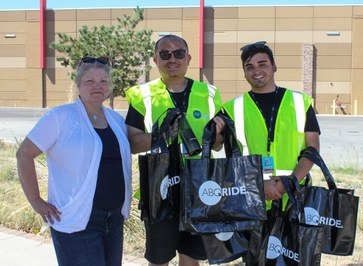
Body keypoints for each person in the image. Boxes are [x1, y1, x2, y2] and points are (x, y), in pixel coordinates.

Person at [16, 57, 132, 266]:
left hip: (113, 219)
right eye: (89, 81)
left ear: (110, 86)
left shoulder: (116, 120)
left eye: (103, 81)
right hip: (76, 221)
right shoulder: (60, 117)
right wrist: (35, 200)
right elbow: (24, 153)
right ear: (78, 84)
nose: (97, 86)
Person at [125, 34, 224, 266]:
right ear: (155, 60)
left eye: (179, 53)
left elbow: (219, 145)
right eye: (165, 54)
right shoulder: (142, 95)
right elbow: (131, 143)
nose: (172, 59)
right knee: (159, 258)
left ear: (188, 57)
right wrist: (162, 135)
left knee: (191, 257)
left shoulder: (209, 94)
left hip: (199, 186)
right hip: (160, 187)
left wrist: (218, 135)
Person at [222, 41, 321, 209]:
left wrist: (287, 184)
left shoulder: (300, 102)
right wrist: (260, 183)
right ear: (244, 73)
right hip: (250, 197)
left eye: (262, 64)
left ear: (274, 66)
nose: (257, 71)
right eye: (249, 67)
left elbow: (313, 149)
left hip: (294, 196)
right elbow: (224, 151)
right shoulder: (231, 108)